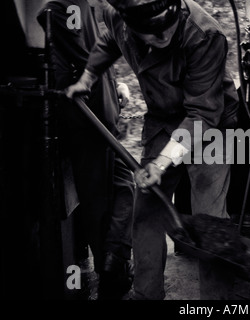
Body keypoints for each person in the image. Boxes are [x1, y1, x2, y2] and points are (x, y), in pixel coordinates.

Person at [66, 0, 240, 300]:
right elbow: (109, 41)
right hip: (162, 121)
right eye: (151, 32)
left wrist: (160, 164)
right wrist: (88, 77)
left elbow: (202, 114)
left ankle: (217, 300)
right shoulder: (116, 15)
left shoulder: (206, 34)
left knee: (210, 219)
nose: (163, 37)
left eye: (168, 26)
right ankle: (146, 293)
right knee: (146, 210)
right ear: (128, 21)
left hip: (209, 123)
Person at [37, 0, 135, 300]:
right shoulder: (63, 6)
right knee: (98, 199)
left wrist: (115, 83)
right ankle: (111, 271)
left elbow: (94, 52)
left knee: (124, 185)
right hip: (86, 115)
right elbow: (84, 56)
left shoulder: (81, 5)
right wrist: (101, 80)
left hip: (103, 111)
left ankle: (115, 259)